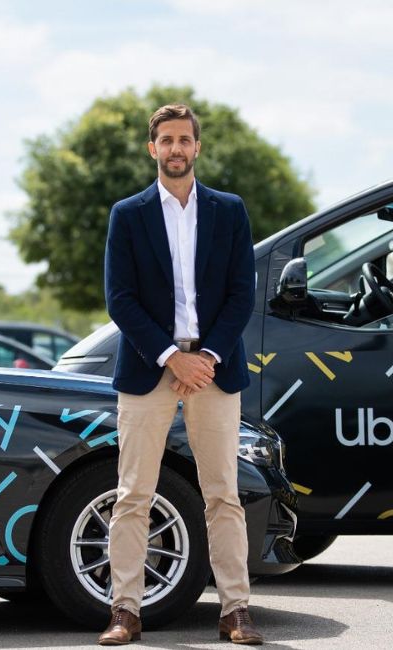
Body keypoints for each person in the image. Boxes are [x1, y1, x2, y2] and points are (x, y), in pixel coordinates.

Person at [98, 104, 262, 646]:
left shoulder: (229, 211)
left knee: (223, 495)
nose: (175, 149)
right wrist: (171, 357)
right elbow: (119, 299)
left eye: (184, 140)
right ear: (153, 148)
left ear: (197, 146)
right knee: (132, 495)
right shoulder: (128, 213)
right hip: (150, 367)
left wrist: (207, 356)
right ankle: (126, 610)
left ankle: (235, 611)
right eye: (165, 140)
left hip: (214, 367)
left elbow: (243, 294)